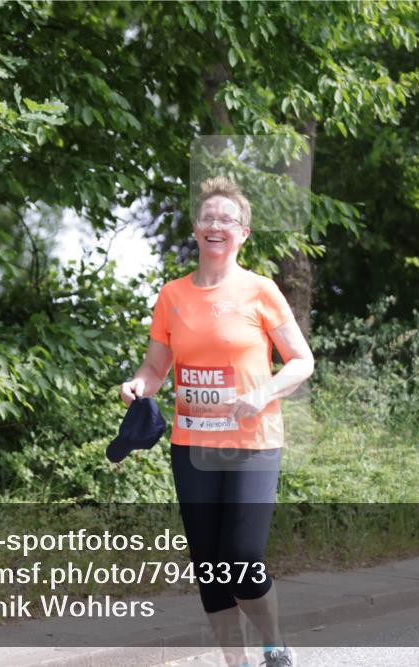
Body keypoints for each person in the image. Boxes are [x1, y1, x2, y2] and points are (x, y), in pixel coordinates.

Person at [120, 176, 315, 667]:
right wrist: (138, 386)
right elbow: (156, 367)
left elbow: (301, 361)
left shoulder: (261, 291)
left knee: (243, 559)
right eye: (208, 218)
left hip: (252, 443)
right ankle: (238, 663)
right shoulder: (173, 296)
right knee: (210, 568)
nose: (216, 225)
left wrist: (266, 390)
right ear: (195, 229)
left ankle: (273, 642)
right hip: (193, 447)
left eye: (227, 219)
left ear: (243, 233)